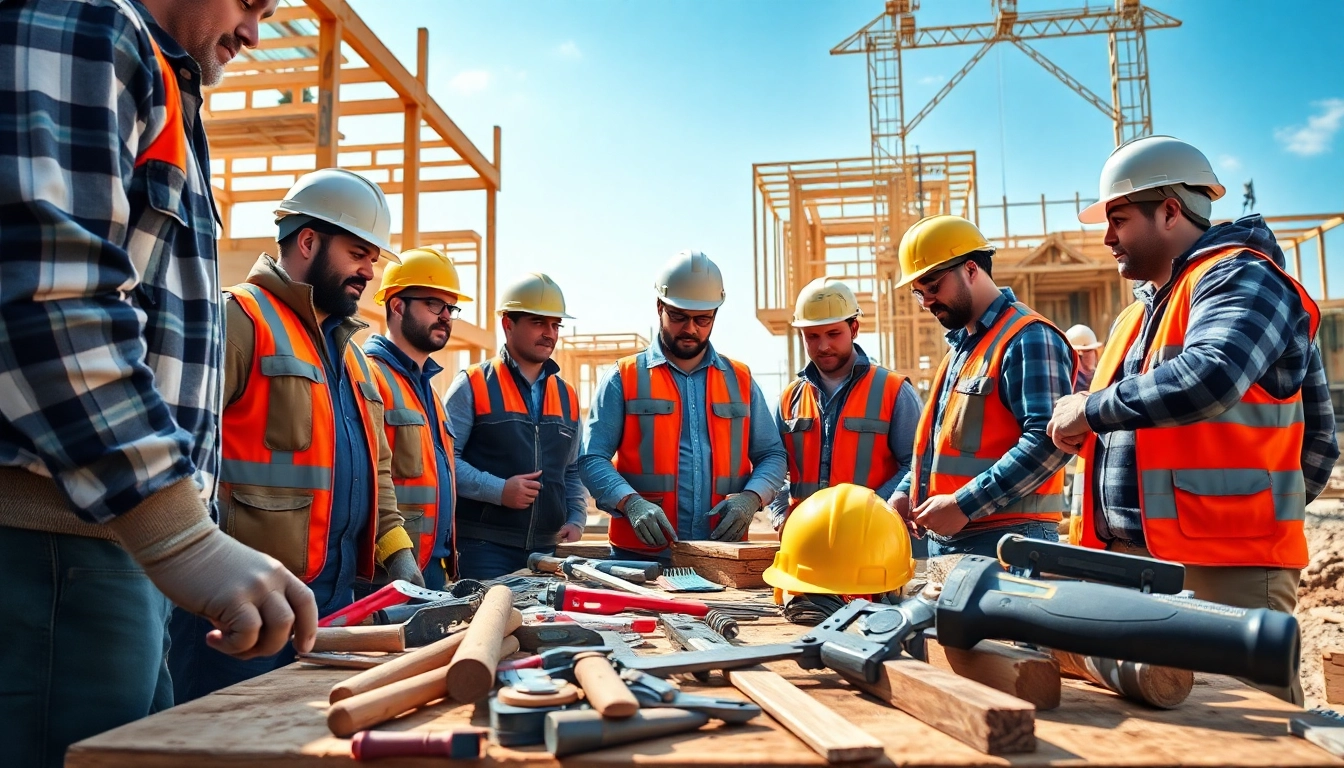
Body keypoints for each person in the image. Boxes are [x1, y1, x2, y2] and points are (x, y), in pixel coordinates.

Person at [0, 0, 311, 764]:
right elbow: (47, 293)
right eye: (248, 4)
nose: (253, 34)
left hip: (122, 551)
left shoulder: (161, 82)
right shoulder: (82, 21)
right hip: (61, 551)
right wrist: (178, 533)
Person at [1047, 135, 1339, 703]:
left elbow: (1213, 375)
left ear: (1171, 211)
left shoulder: (1240, 278)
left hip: (1224, 569)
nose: (1107, 238)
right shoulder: (1144, 312)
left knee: (1251, 743)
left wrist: (1248, 513)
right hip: (1139, 564)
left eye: (1120, 218)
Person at [169, 168, 422, 703]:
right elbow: (178, 454)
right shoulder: (237, 320)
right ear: (307, 240)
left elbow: (377, 470)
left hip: (335, 603)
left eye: (374, 259)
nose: (369, 272)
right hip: (243, 605)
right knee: (226, 741)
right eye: (358, 253)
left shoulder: (353, 357)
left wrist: (398, 556)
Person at [580, 250, 788, 560]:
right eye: (678, 316)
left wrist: (751, 497)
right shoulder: (623, 378)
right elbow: (591, 458)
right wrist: (630, 502)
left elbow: (772, 454)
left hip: (722, 555)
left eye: (702, 319)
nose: (690, 328)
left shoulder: (741, 380)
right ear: (659, 307)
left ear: (716, 314)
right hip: (640, 557)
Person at [889, 215, 1076, 559]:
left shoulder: (1028, 336)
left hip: (1012, 541)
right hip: (958, 540)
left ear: (971, 269)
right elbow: (944, 447)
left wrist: (965, 504)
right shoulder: (962, 351)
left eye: (933, 286)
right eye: (919, 293)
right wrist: (908, 491)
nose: (927, 301)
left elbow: (1049, 442)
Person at [445, 273, 586, 578]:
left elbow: (572, 469)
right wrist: (499, 490)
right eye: (538, 322)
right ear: (508, 324)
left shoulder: (568, 396)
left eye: (555, 325)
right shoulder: (472, 384)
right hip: (483, 548)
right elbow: (443, 462)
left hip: (547, 552)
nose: (549, 333)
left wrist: (576, 518)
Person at [771, 278, 922, 535]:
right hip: (807, 543)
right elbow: (774, 465)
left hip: (873, 539)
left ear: (854, 328)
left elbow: (916, 465)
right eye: (812, 336)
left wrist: (874, 509)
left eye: (833, 334)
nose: (823, 346)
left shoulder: (893, 391)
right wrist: (779, 513)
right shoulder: (789, 399)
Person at [365, 247, 468, 590]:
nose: (446, 316)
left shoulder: (429, 392)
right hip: (387, 572)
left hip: (431, 568)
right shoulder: (369, 376)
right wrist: (396, 555)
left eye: (450, 307)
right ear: (397, 305)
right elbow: (364, 480)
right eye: (434, 305)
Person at [1065, 324, 1104, 393]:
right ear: (1078, 353)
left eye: (1095, 350)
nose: (1094, 354)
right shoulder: (1069, 380)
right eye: (1090, 350)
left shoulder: (1100, 377)